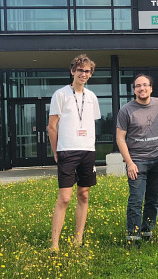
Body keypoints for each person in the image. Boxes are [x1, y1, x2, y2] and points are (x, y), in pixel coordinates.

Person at [48, 54, 101, 253]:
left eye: (87, 71)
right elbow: (52, 127)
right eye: (80, 70)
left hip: (87, 150)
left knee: (84, 195)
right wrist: (55, 151)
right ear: (73, 71)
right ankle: (54, 244)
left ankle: (78, 239)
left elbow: (89, 123)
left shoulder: (92, 97)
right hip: (67, 151)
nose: (84, 74)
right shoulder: (60, 95)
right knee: (64, 198)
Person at [116, 74, 158, 242]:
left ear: (151, 88)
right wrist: (129, 163)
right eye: (137, 86)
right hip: (137, 161)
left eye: (145, 85)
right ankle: (133, 236)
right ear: (134, 90)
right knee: (136, 200)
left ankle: (147, 232)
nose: (142, 88)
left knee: (153, 199)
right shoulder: (126, 110)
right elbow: (120, 138)